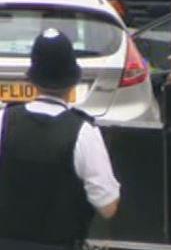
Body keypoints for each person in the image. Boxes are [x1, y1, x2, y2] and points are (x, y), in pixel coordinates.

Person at [0, 29, 120, 249]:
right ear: (74, 81)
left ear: (32, 79)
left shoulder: (4, 121)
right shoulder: (83, 132)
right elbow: (108, 206)